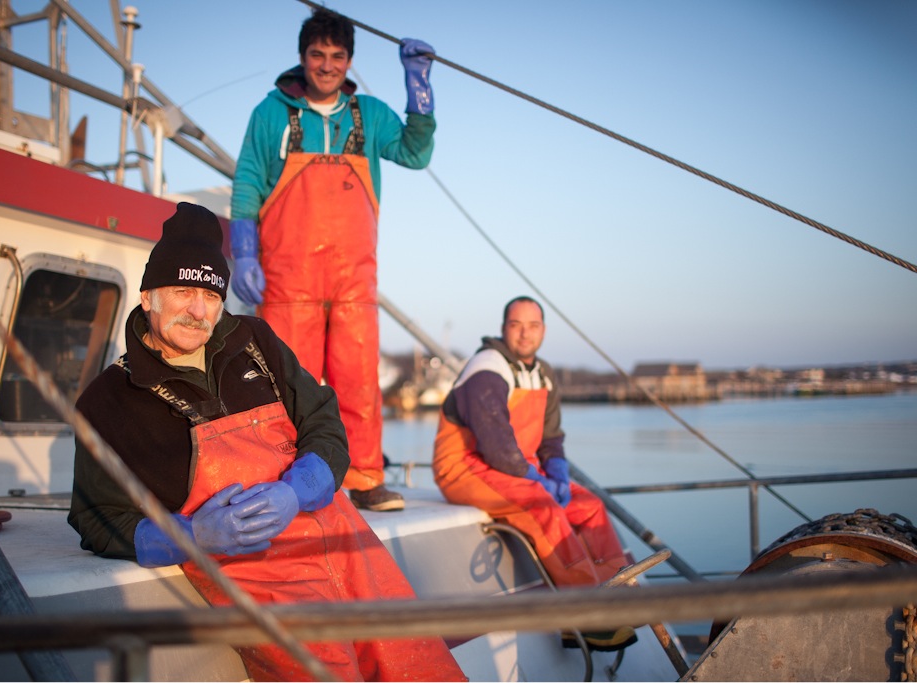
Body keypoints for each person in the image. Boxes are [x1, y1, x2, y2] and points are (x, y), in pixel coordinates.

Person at [68, 203, 465, 681]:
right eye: (182, 292)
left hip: (345, 543)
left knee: (418, 661)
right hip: (257, 574)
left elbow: (322, 419)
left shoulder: (253, 339)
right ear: (149, 295)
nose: (198, 311)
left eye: (211, 296)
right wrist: (192, 537)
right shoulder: (107, 401)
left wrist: (297, 489)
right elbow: (95, 519)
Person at [228, 7, 437, 512]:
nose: (326, 65)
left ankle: (364, 478)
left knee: (359, 380)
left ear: (349, 61)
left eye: (337, 56)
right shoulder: (272, 112)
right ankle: (280, 476)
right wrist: (242, 251)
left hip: (352, 279)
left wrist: (420, 89)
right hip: (286, 275)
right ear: (303, 58)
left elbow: (415, 153)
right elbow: (248, 183)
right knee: (282, 380)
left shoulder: (369, 115)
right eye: (317, 55)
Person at [432, 296, 638, 652]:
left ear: (543, 330)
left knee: (589, 505)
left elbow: (551, 438)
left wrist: (556, 469)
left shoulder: (544, 374)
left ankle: (617, 599)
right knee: (540, 506)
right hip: (464, 466)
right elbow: (496, 443)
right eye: (516, 325)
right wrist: (538, 481)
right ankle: (585, 617)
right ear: (503, 329)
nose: (525, 334)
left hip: (518, 467)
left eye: (533, 325)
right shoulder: (487, 368)